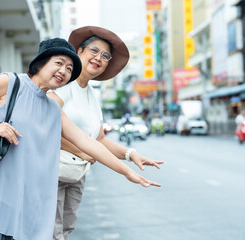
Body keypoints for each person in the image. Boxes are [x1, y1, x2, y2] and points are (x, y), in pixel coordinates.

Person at [0, 38, 159, 240]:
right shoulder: (9, 83)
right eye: (59, 63)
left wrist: (128, 171)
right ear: (41, 63)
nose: (63, 71)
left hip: (22, 196)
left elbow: (88, 142)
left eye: (69, 69)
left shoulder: (52, 107)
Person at [47, 26, 164, 240]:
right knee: (50, 232)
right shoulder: (64, 84)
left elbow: (99, 139)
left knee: (65, 229)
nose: (98, 58)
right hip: (51, 170)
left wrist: (131, 154)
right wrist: (81, 151)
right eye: (94, 50)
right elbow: (46, 126)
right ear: (79, 52)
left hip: (76, 174)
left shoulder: (91, 94)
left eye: (105, 55)